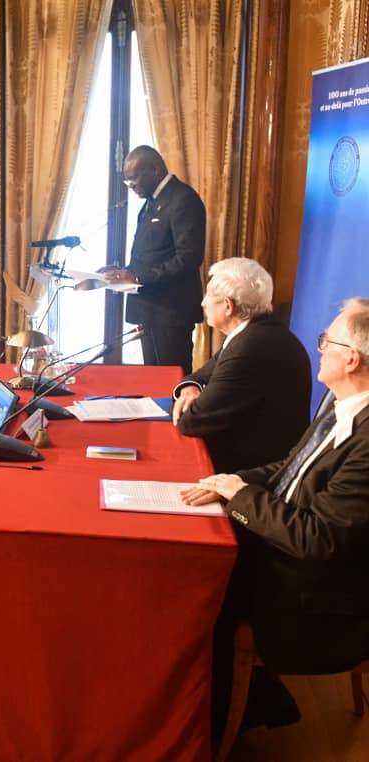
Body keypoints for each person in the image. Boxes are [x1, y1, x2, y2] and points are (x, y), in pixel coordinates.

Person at [183, 297, 369, 736]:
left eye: (328, 341)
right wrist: (227, 480)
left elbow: (316, 540)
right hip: (286, 547)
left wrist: (241, 495)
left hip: (315, 599)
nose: (319, 348)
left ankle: (213, 717)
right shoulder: (339, 402)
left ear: (352, 359)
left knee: (198, 591)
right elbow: (291, 466)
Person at [172, 258, 311, 472]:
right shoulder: (255, 332)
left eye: (208, 295)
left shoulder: (250, 347)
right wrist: (189, 390)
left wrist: (188, 404)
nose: (203, 303)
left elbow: (192, 422)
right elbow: (200, 376)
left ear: (228, 306)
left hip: (252, 469)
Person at [103, 145, 206, 372]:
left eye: (134, 180)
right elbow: (151, 254)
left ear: (155, 170)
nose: (131, 187)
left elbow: (189, 257)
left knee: (170, 384)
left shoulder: (182, 199)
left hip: (170, 312)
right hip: (150, 309)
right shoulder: (152, 202)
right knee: (153, 380)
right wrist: (123, 271)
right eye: (127, 182)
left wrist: (138, 276)